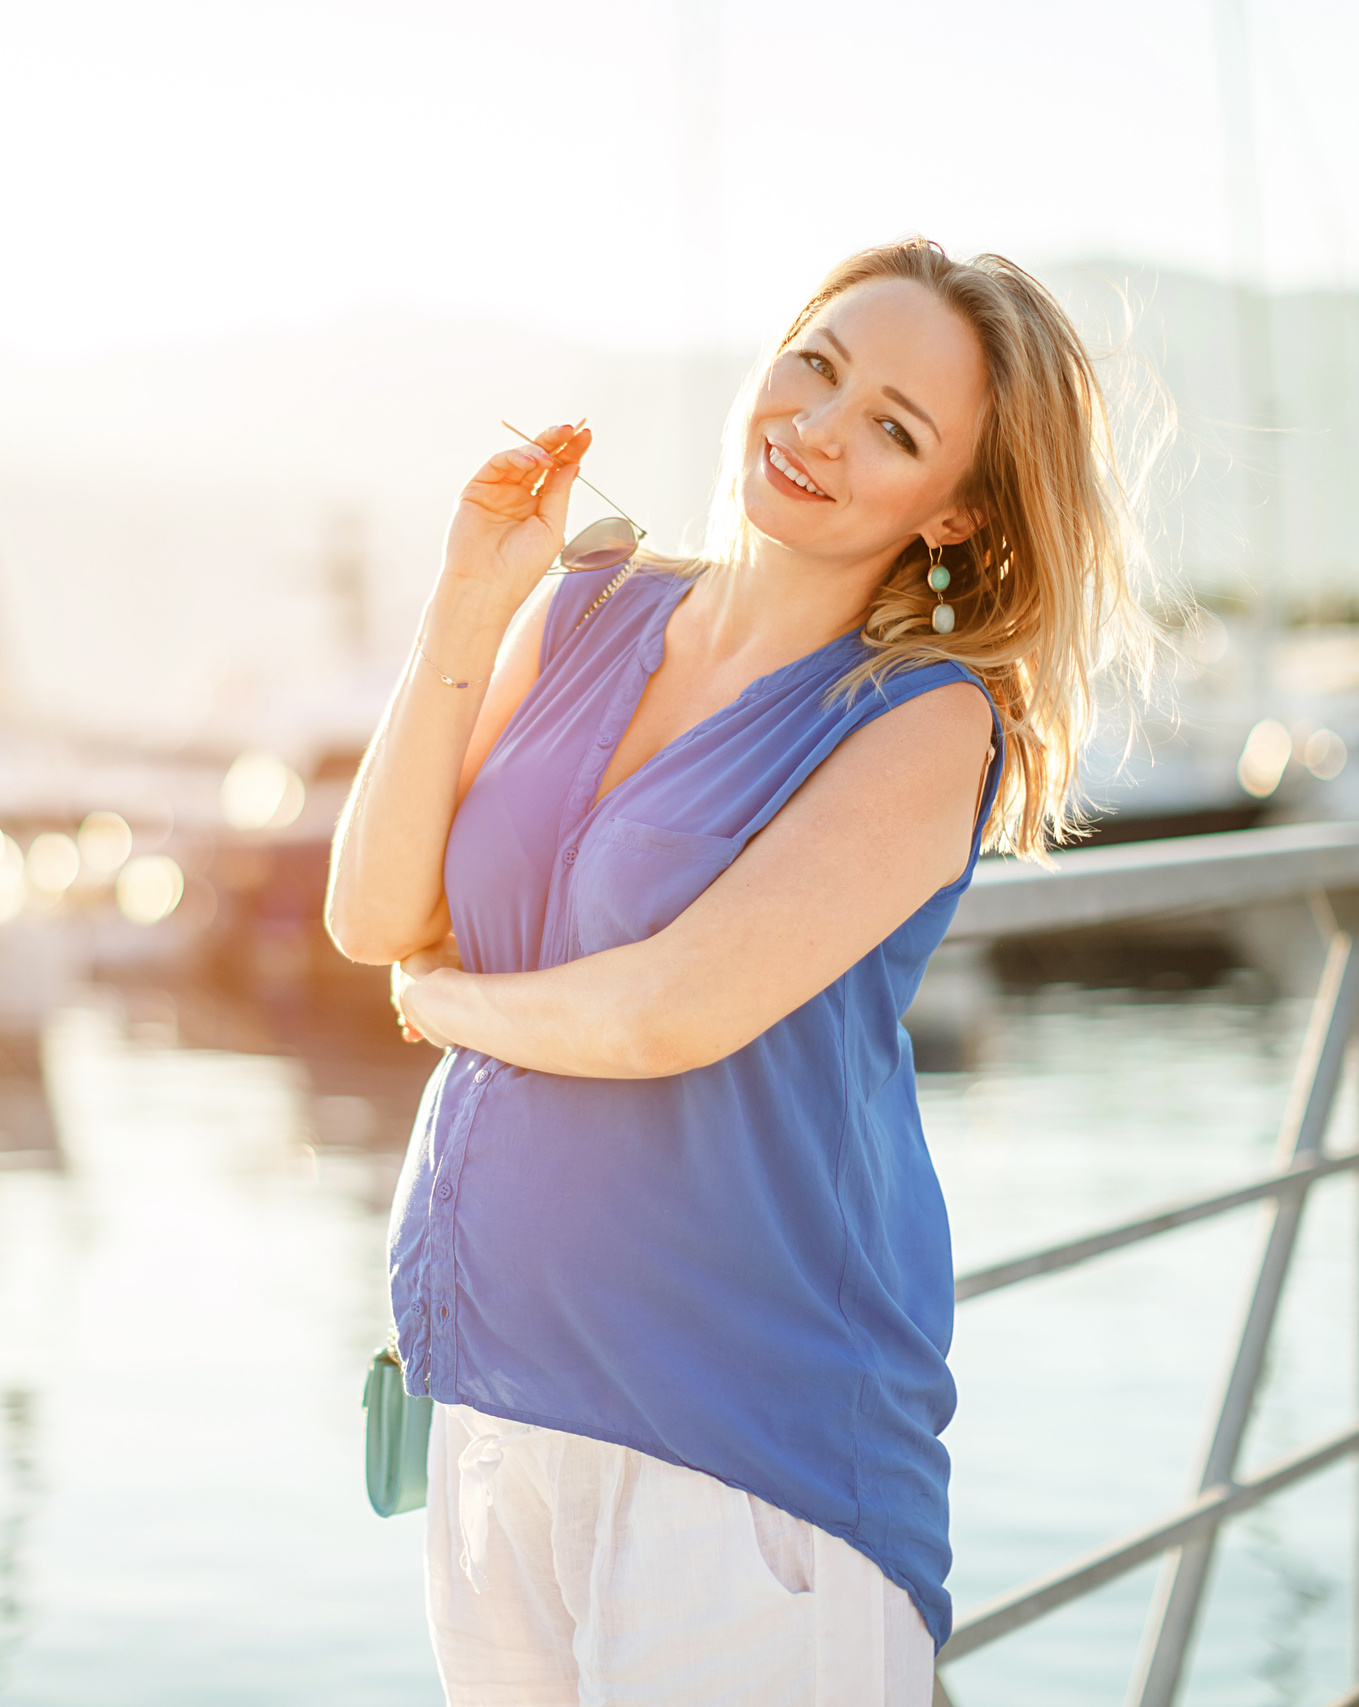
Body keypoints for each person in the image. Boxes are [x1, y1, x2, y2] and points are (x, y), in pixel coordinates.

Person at [325, 237, 1157, 1705]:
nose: (821, 429)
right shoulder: (584, 611)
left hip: (739, 1448)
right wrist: (471, 595)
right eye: (816, 367)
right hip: (493, 1404)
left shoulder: (920, 719)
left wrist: (449, 1011)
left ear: (955, 507)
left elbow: (666, 1009)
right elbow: (373, 911)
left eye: (893, 427)